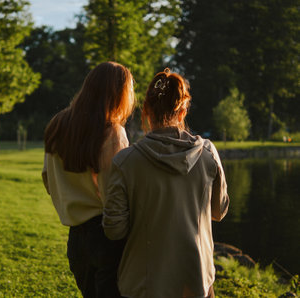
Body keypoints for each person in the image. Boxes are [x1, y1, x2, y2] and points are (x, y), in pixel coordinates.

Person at [103, 68, 229, 298]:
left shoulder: (125, 161)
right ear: (183, 111)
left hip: (144, 284)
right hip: (196, 280)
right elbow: (219, 211)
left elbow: (114, 229)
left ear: (147, 111)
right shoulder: (208, 154)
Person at [42, 61, 135, 298]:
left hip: (76, 240)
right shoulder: (112, 132)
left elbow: (47, 179)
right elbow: (117, 192)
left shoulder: (57, 124)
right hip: (106, 236)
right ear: (118, 94)